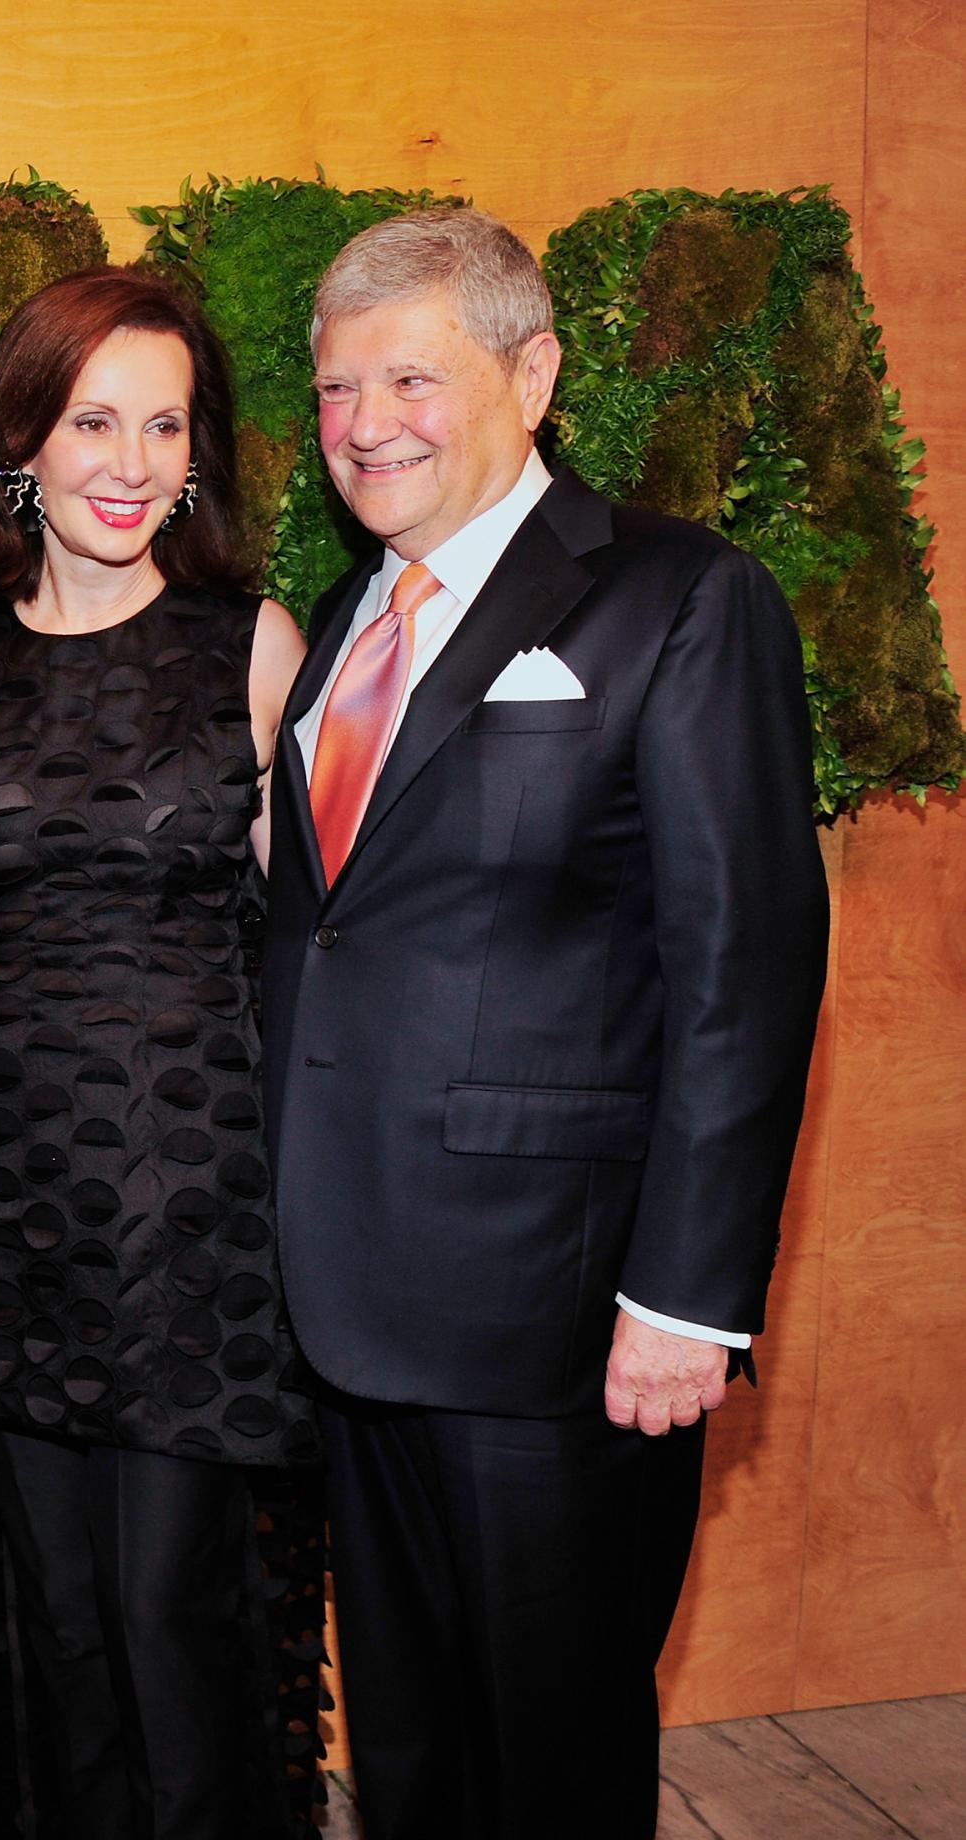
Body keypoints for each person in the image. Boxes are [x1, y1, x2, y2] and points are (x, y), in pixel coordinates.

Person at [263, 209, 830, 1839]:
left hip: (565, 1322)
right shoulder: (348, 618)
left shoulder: (678, 600)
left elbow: (747, 971)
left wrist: (688, 1297)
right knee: (419, 1749)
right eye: (334, 386)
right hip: (355, 1304)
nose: (366, 422)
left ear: (534, 372)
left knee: (556, 1756)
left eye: (410, 378)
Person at [0, 267, 315, 1840]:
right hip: (7, 1209)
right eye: (94, 418)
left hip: (196, 1216)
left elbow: (314, 957)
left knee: (173, 1617)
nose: (130, 458)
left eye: (164, 423)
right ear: (22, 440)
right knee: (61, 1625)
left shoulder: (253, 644)